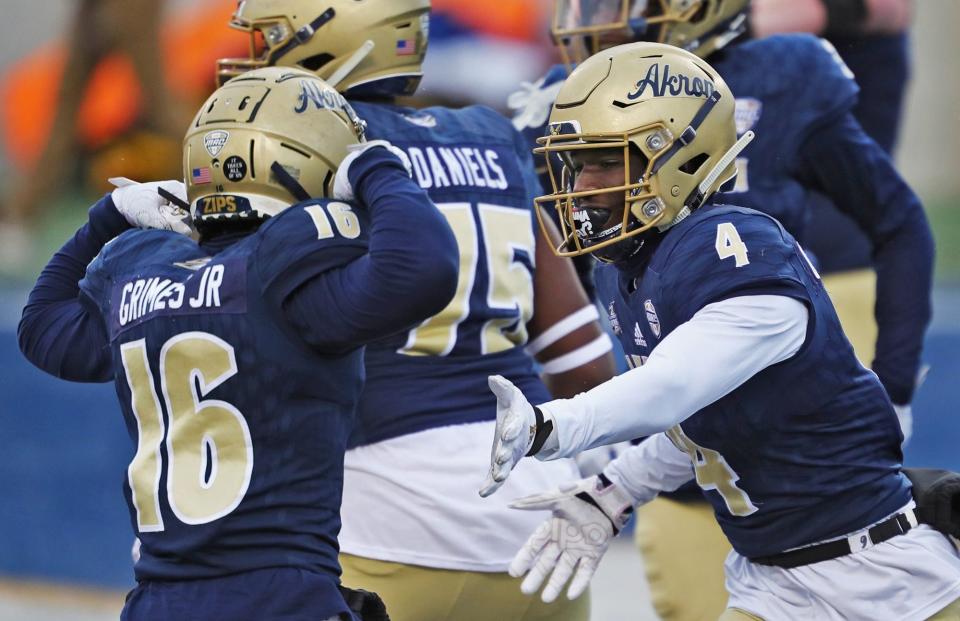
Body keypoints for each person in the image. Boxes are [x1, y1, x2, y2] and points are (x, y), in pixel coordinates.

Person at [481, 42, 960, 621]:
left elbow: (674, 387)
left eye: (606, 161)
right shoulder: (625, 270)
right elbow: (701, 424)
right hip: (772, 587)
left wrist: (554, 425)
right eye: (578, 164)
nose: (582, 186)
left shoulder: (736, 244)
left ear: (676, 158)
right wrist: (615, 490)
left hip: (888, 579)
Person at [217, 2, 617, 619]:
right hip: (540, 539)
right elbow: (586, 367)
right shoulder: (496, 137)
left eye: (271, 40)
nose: (255, 59)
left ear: (329, 44)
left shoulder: (307, 153)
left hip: (384, 531)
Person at [17, 66, 459, 621]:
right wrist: (376, 165)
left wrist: (107, 217)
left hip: (159, 600)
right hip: (281, 597)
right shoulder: (287, 263)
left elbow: (41, 330)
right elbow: (426, 266)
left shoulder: (137, 269)